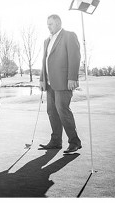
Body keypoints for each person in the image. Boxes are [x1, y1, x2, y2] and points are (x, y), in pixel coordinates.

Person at [39, 14, 82, 154]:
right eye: (47, 24)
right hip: (50, 83)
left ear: (58, 23)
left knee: (62, 109)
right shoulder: (46, 41)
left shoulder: (69, 36)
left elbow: (75, 57)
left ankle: (74, 142)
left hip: (64, 81)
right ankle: (56, 141)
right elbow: (44, 62)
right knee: (51, 111)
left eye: (50, 24)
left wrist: (72, 78)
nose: (48, 27)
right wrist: (42, 79)